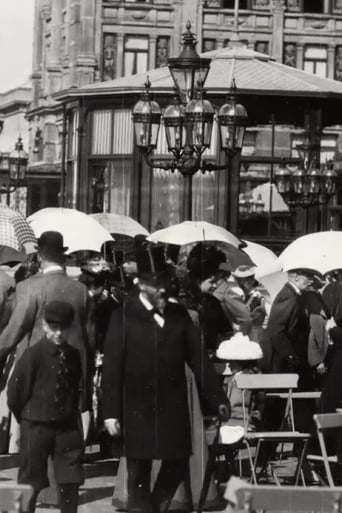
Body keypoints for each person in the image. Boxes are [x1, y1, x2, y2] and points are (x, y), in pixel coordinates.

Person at [102, 244, 230, 513]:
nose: (160, 288)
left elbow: (199, 360)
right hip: (136, 408)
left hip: (172, 407)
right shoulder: (123, 315)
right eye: (153, 283)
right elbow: (112, 367)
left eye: (163, 281)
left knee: (176, 464)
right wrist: (110, 412)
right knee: (138, 473)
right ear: (140, 283)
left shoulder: (179, 315)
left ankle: (155, 508)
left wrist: (217, 398)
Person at [7, 301, 84, 513]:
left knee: (71, 480)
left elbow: (76, 386)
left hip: (66, 427)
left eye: (64, 328)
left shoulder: (74, 355)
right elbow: (15, 394)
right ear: (44, 325)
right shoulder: (33, 355)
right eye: (54, 327)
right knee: (29, 481)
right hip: (36, 426)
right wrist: (28, 418)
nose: (59, 333)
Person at [266, 268, 315, 433]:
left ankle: (297, 451)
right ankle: (264, 454)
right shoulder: (288, 296)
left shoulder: (295, 296)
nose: (311, 280)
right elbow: (276, 329)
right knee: (276, 406)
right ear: (295, 277)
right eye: (307, 276)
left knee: (283, 405)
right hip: (285, 361)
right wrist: (290, 355)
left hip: (289, 360)